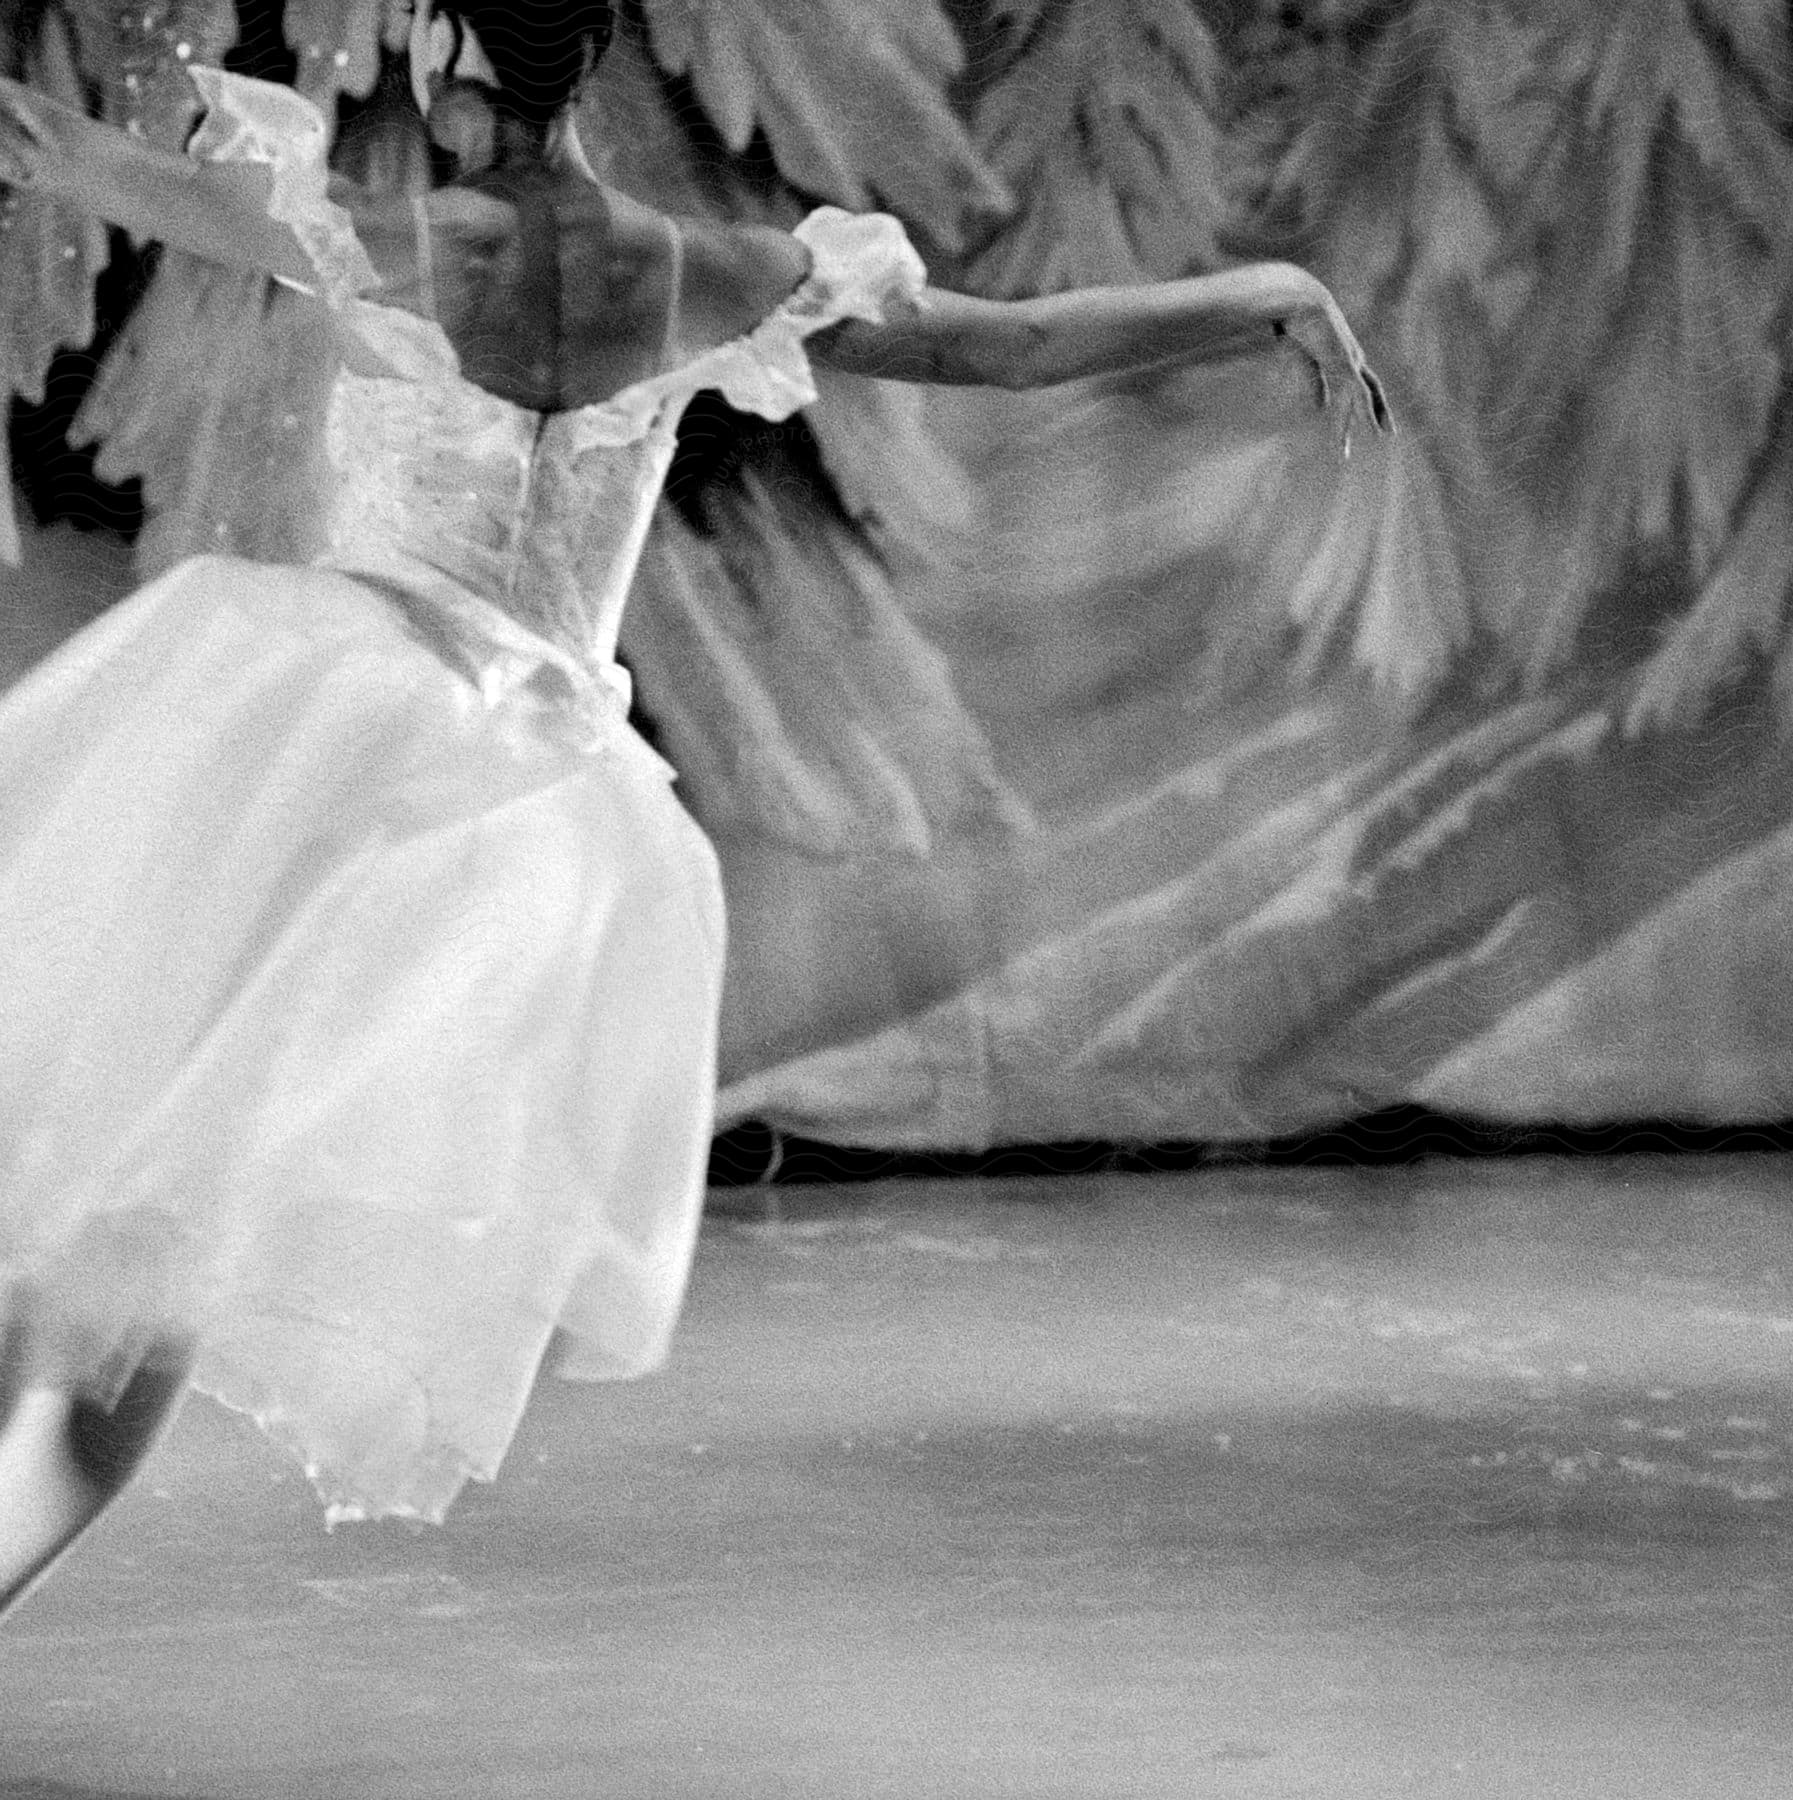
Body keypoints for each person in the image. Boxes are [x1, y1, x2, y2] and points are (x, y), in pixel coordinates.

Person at [0, 0, 1388, 1616]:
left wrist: (126, 117)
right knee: (148, 1264)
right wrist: (1260, 292)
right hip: (503, 808)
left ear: (450, 69)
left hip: (311, 736)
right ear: (583, 67)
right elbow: (998, 347)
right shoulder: (712, 275)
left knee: (90, 1201)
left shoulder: (373, 236)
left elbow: (63, 150)